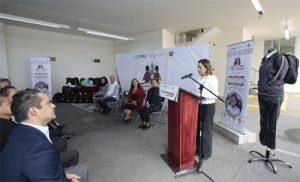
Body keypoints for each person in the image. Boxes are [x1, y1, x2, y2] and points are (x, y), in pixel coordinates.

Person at [1, 90, 89, 181]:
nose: (53, 105)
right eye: (48, 103)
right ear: (34, 110)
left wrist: (64, 174)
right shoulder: (38, 148)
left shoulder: (20, 130)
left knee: (82, 169)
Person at [258, 48, 288, 149]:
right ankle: (263, 142)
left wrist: (268, 85)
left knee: (272, 122)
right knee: (263, 120)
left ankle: (270, 146)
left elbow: (281, 75)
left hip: (274, 95)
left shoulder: (280, 58)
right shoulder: (264, 59)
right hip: (262, 94)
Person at [192, 59, 218, 160]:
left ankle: (206, 152)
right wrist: (194, 94)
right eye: (197, 67)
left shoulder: (212, 78)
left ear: (206, 68)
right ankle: (199, 150)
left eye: (200, 67)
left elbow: (214, 94)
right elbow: (197, 91)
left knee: (206, 129)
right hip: (199, 105)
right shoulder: (199, 78)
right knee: (198, 128)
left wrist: (201, 94)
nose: (198, 69)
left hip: (208, 106)